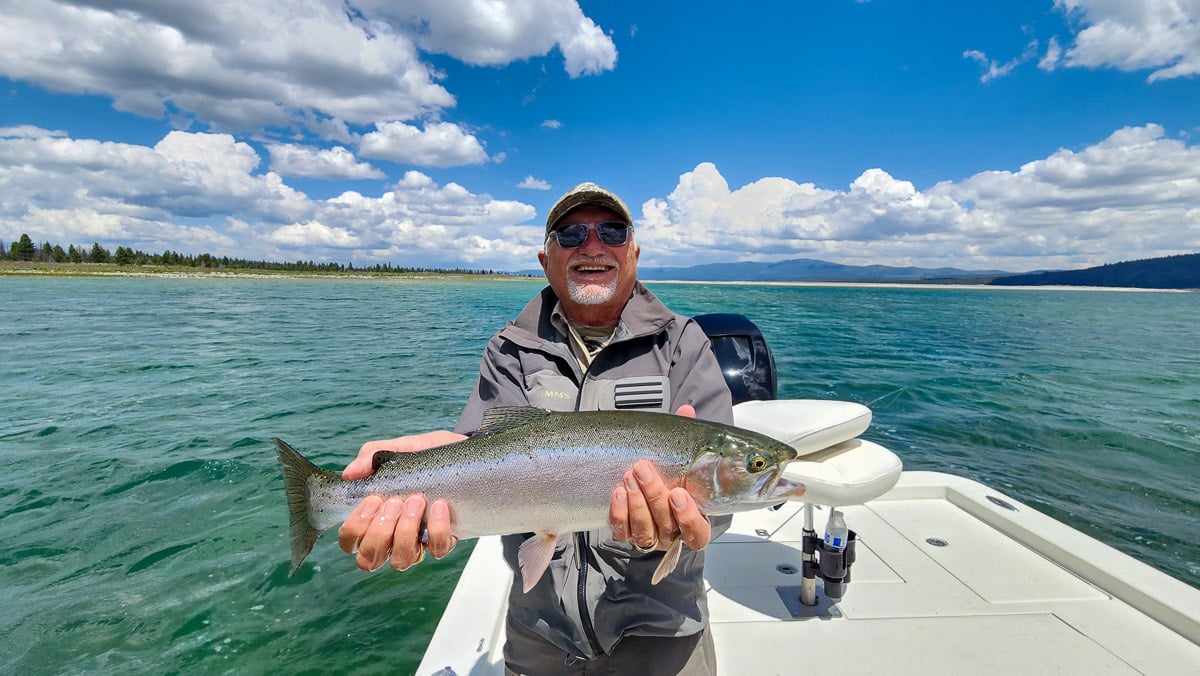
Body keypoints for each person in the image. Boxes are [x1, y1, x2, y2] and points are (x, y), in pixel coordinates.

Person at [337, 182, 734, 675]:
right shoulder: (508, 350)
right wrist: (423, 482)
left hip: (663, 631)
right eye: (570, 235)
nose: (591, 245)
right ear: (545, 259)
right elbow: (479, 451)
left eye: (610, 231)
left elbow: (717, 504)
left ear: (633, 251)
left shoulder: (685, 345)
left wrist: (686, 523)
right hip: (539, 632)